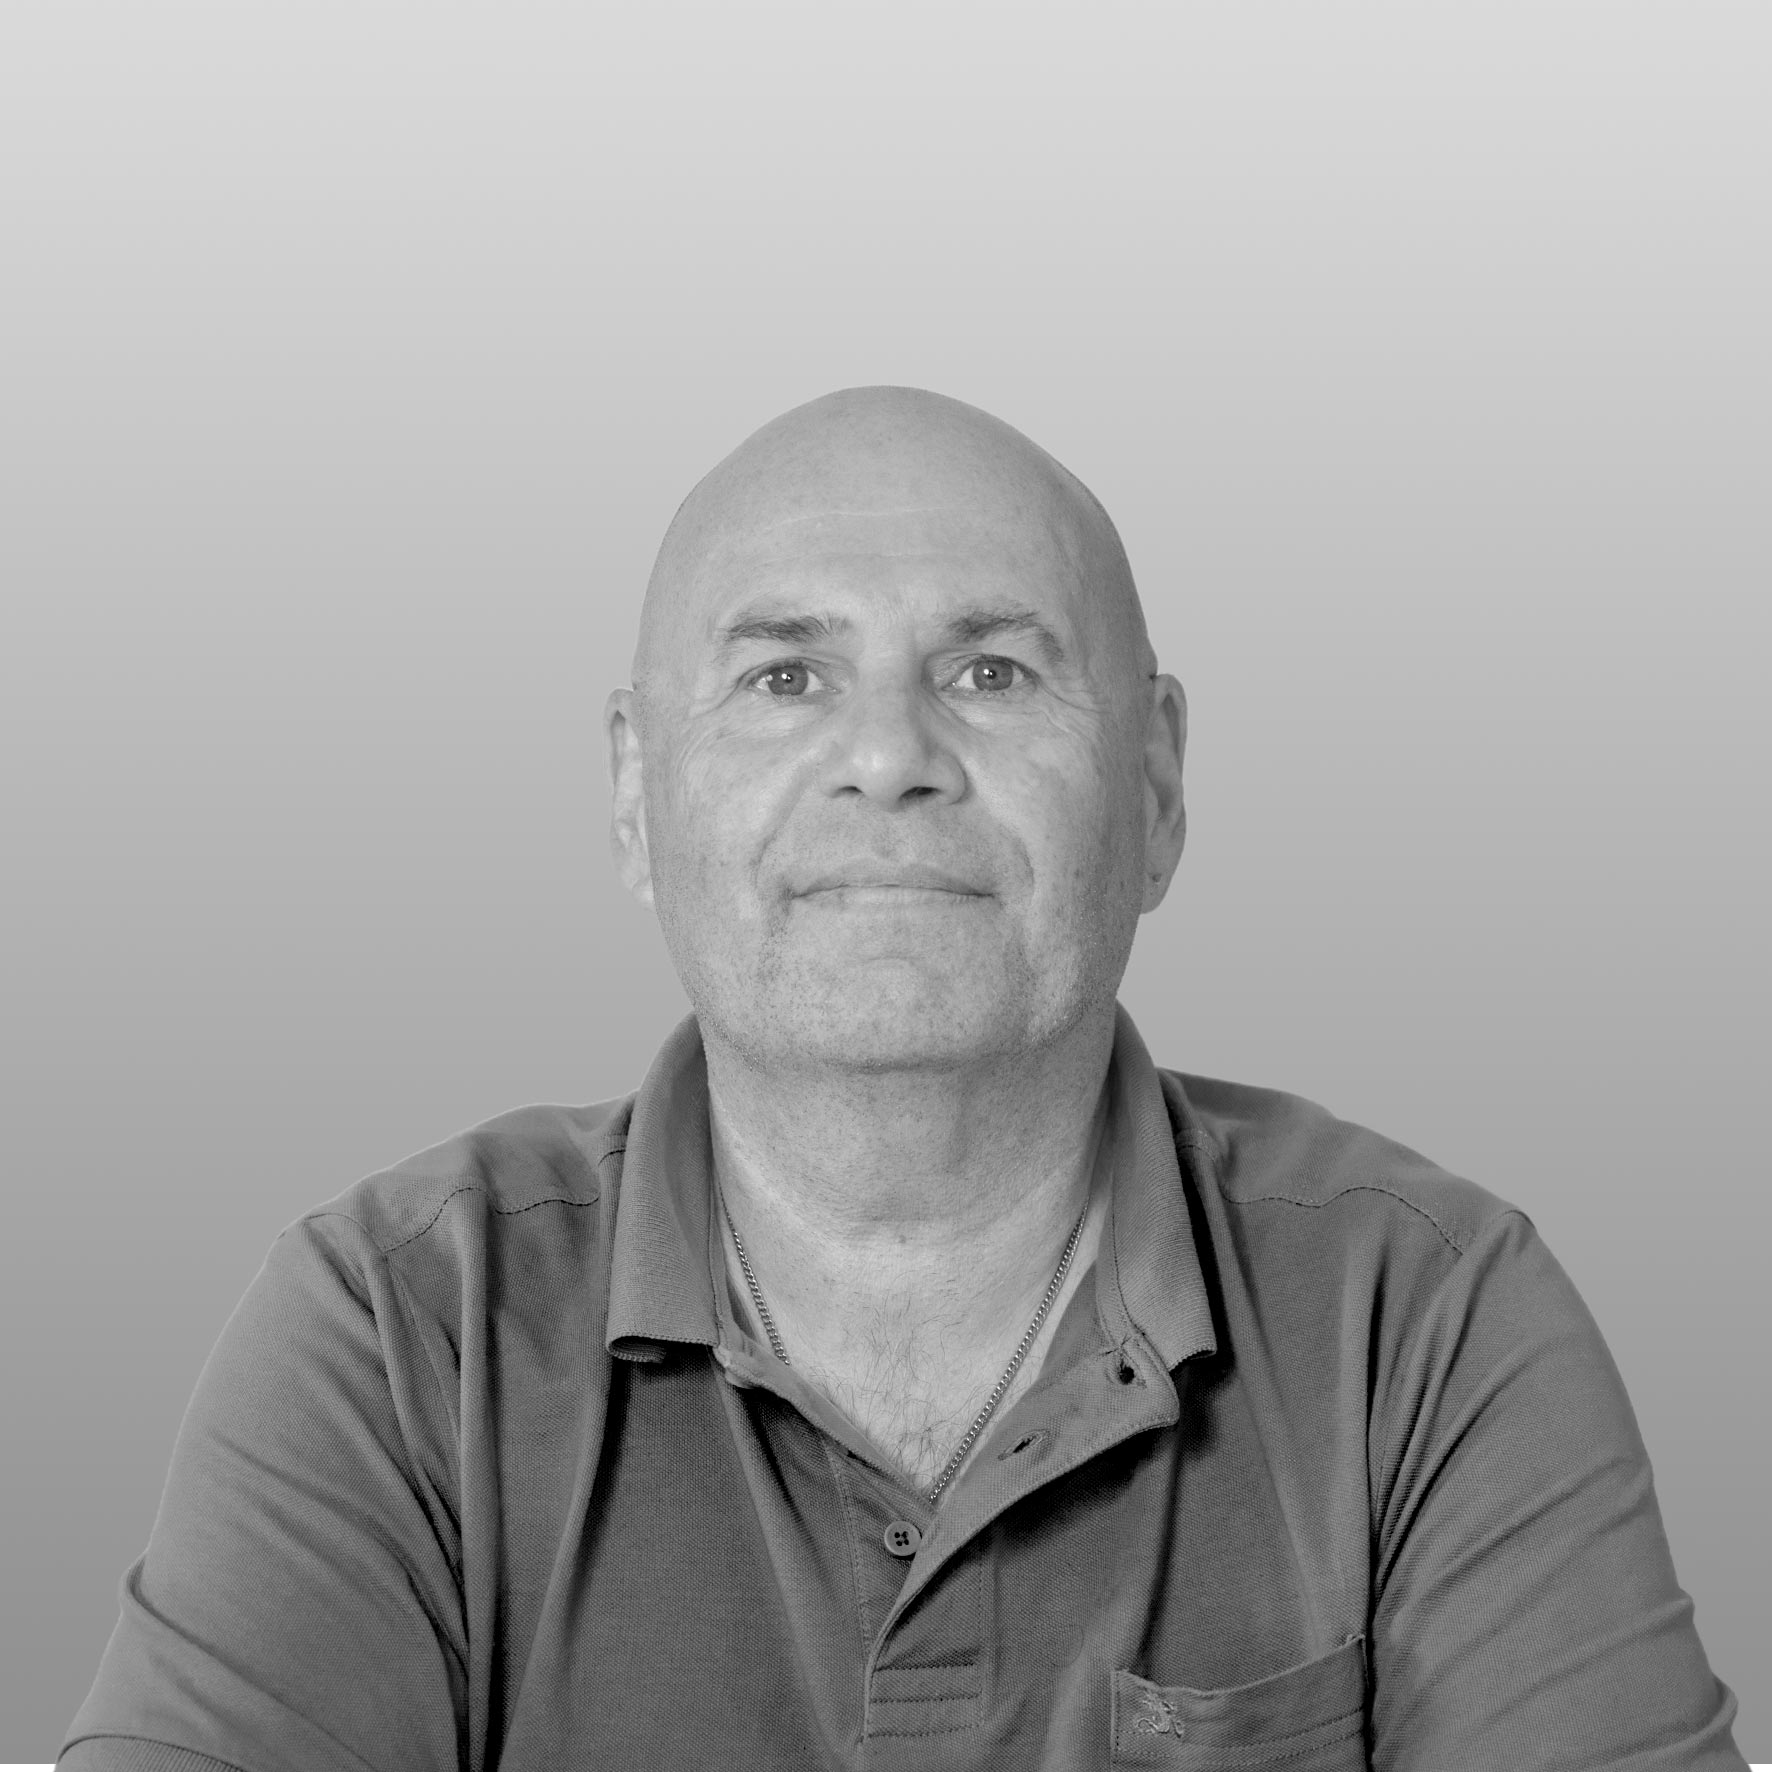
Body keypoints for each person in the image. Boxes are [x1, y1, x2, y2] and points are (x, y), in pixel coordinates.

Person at [62, 387, 1746, 1770]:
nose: (887, 757)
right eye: (784, 677)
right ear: (638, 798)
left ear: (1157, 785)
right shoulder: (395, 1332)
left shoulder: (1429, 1322)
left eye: (992, 671)